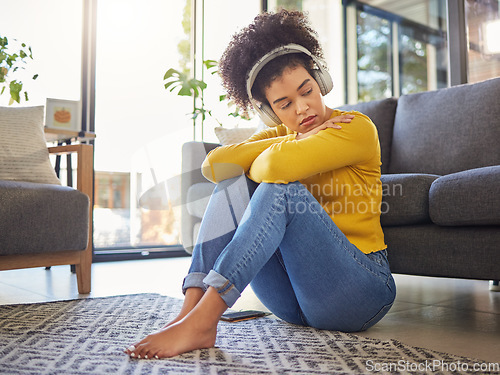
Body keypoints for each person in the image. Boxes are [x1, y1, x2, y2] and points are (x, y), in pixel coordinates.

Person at [125, 9, 396, 360]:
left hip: (360, 292)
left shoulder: (353, 127)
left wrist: (280, 147)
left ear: (321, 82)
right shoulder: (283, 134)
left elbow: (276, 166)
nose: (302, 109)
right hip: (294, 303)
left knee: (279, 188)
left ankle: (205, 319)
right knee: (233, 183)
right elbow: (214, 165)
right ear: (270, 112)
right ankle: (189, 312)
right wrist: (287, 139)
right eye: (284, 104)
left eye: (307, 91)